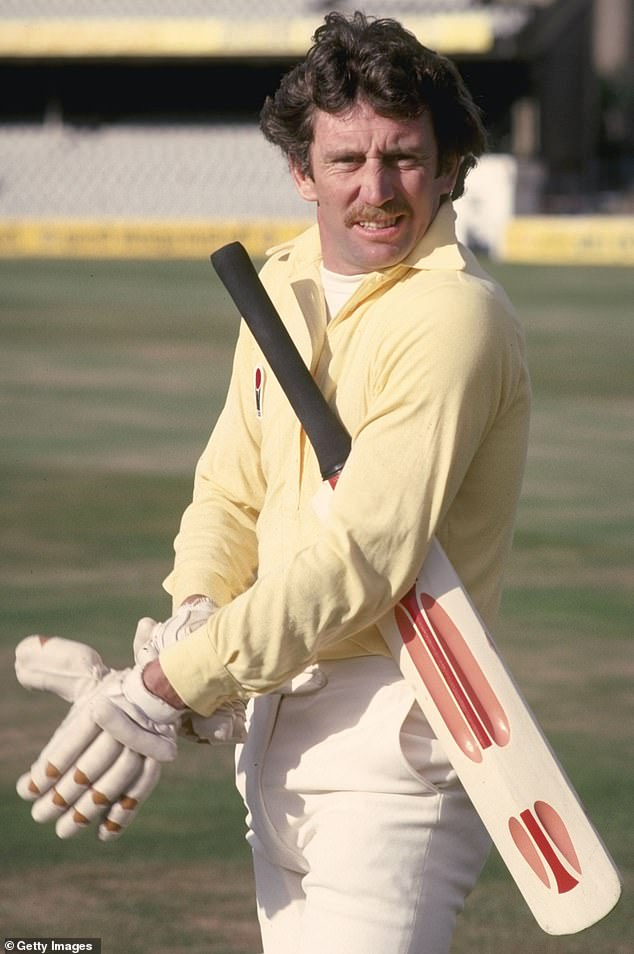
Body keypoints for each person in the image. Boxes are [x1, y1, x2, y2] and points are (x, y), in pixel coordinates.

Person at [17, 12, 531, 954]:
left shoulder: (453, 321)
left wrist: (167, 685)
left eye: (404, 157)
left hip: (393, 757)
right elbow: (230, 492)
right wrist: (195, 613)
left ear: (450, 163)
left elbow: (363, 559)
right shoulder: (282, 283)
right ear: (302, 173)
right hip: (270, 733)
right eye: (345, 160)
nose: (375, 189)